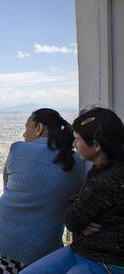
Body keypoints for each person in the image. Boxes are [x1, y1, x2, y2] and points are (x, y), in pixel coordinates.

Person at [20, 107, 124, 274]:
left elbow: (72, 220)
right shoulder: (103, 168)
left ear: (96, 146)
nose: (74, 144)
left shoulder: (105, 180)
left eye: (77, 139)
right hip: (84, 250)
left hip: (105, 260)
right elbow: (74, 209)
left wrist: (77, 217)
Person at [0, 108, 87, 273]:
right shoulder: (79, 163)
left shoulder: (17, 150)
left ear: (39, 128)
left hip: (4, 244)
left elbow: (7, 188)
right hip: (46, 250)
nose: (24, 135)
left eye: (27, 128)